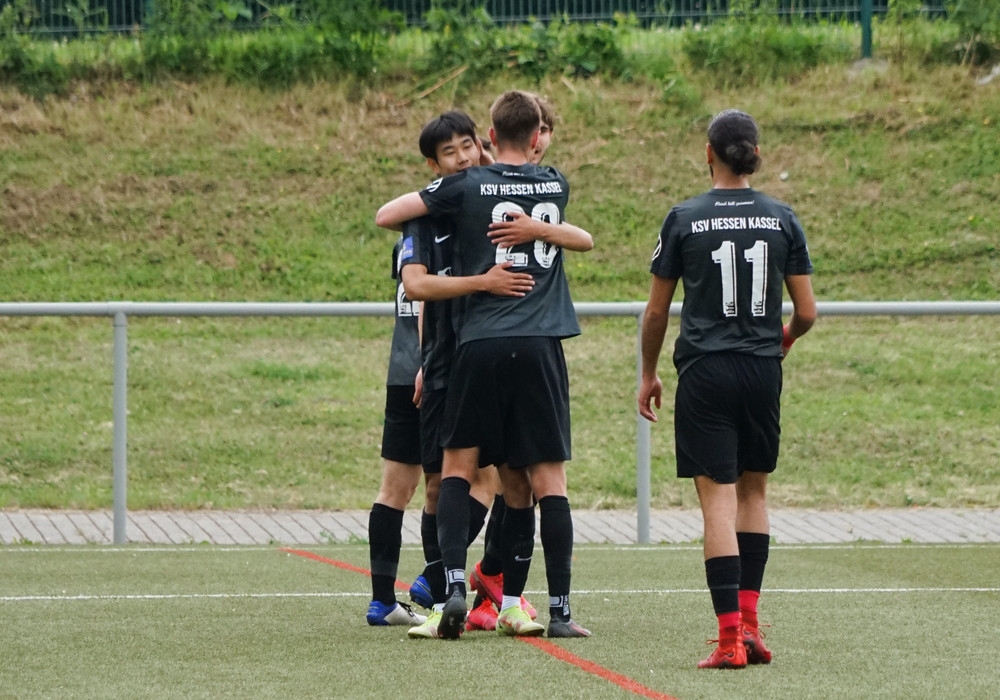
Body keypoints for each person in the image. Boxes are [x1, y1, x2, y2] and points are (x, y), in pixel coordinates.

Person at [376, 90, 593, 640]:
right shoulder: (555, 183)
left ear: (488, 139)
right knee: (539, 481)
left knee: (459, 469)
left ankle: (454, 588)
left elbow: (389, 214)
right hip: (539, 343)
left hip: (478, 344)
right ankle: (558, 610)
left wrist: (452, 189)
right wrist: (538, 226)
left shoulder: (466, 187)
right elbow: (584, 238)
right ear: (538, 136)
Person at [638, 109, 817, 668]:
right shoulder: (782, 217)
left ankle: (728, 641)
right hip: (761, 370)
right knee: (753, 493)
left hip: (706, 372)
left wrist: (648, 373)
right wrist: (783, 340)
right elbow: (807, 312)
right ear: (756, 155)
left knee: (717, 500)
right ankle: (752, 626)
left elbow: (657, 311)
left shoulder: (684, 217)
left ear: (708, 154)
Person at [366, 117, 521, 629]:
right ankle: (433, 582)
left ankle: (406, 594)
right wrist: (427, 358)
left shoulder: (444, 215)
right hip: (437, 366)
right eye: (449, 152)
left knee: (430, 484)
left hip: (424, 362)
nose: (463, 157)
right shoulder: (444, 216)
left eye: (468, 146)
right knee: (471, 479)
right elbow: (420, 291)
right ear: (433, 165)